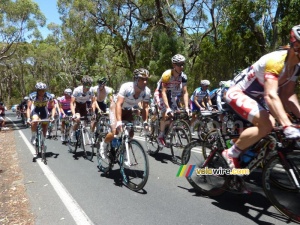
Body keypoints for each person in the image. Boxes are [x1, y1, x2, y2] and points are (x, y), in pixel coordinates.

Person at [222, 25, 300, 169]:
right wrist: (287, 125)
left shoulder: (296, 67)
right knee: (266, 124)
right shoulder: (277, 60)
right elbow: (270, 95)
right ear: (295, 45)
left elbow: (287, 95)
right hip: (238, 91)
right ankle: (231, 152)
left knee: (272, 125)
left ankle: (243, 161)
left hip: (256, 97)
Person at [99, 68, 151, 159]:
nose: (145, 82)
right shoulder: (127, 87)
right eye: (142, 79)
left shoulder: (146, 91)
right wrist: (119, 122)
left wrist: (145, 122)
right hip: (116, 107)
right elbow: (119, 104)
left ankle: (124, 152)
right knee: (115, 131)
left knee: (130, 134)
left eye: (146, 79)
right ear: (136, 79)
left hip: (127, 109)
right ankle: (103, 145)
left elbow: (145, 108)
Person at [154, 54, 191, 147]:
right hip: (160, 94)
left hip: (171, 95)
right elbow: (163, 92)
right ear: (174, 65)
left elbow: (185, 92)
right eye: (179, 64)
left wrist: (187, 107)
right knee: (166, 114)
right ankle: (160, 136)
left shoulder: (183, 76)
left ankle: (168, 130)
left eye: (183, 64)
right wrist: (167, 108)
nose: (182, 67)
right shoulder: (167, 75)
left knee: (175, 115)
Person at [70, 75, 95, 142]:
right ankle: (73, 133)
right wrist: (73, 114)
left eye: (90, 86)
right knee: (77, 119)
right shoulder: (77, 90)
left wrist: (93, 112)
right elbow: (72, 103)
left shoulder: (91, 90)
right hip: (77, 105)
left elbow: (93, 102)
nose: (88, 88)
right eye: (87, 86)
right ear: (83, 85)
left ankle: (86, 136)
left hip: (84, 105)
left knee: (86, 121)